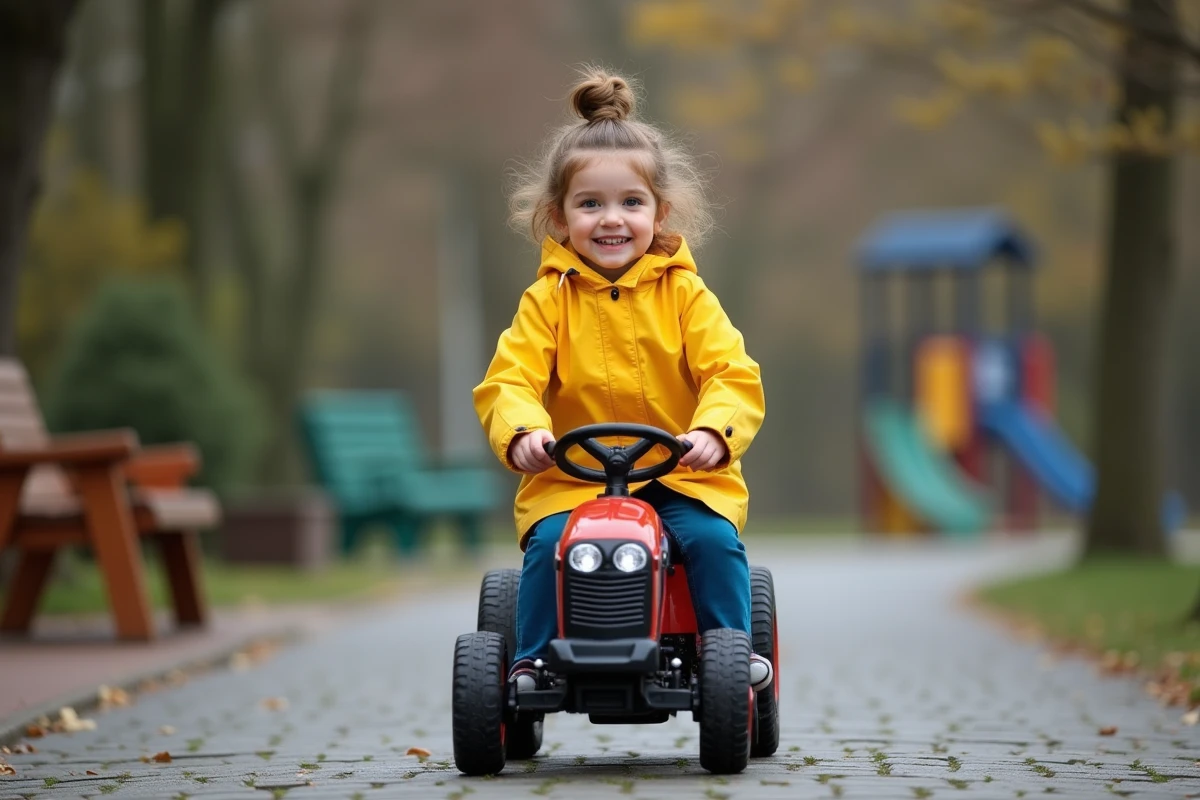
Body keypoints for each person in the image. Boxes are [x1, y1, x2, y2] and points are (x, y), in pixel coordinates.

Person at [472, 67, 769, 693]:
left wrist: (715, 431)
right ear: (559, 217)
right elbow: (510, 379)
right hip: (571, 481)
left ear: (659, 213)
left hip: (679, 476)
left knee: (714, 542)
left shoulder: (686, 295)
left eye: (631, 203)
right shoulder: (546, 301)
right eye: (590, 204)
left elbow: (730, 371)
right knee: (549, 546)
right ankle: (531, 663)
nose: (612, 219)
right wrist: (523, 431)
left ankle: (731, 656)